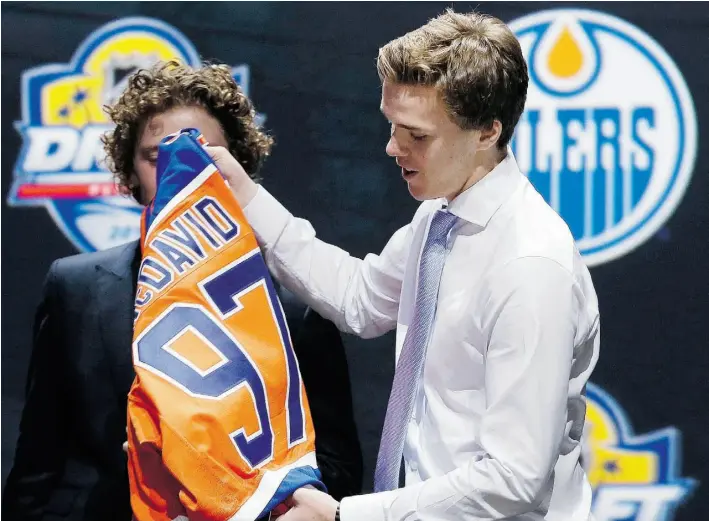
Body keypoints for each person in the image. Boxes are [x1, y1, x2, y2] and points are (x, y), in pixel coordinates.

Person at [210, 9, 600, 521]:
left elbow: (514, 477)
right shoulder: (438, 218)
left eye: (416, 135)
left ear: (486, 131)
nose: (392, 147)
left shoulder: (529, 266)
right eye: (392, 126)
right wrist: (246, 194)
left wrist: (349, 516)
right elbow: (358, 299)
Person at [2, 61, 363, 521]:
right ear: (130, 171)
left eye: (201, 152)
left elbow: (336, 468)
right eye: (157, 156)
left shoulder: (298, 304)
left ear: (237, 164)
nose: (179, 170)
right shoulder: (74, 287)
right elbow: (38, 463)